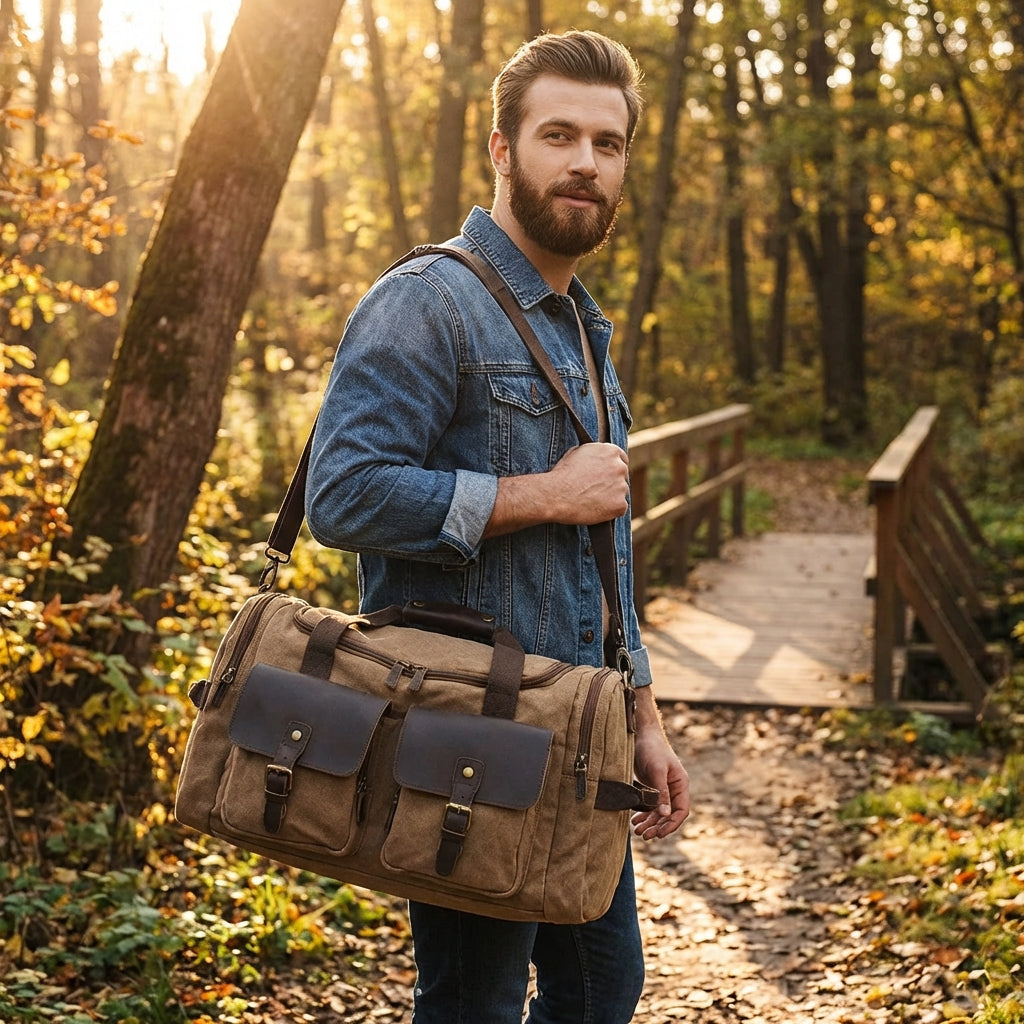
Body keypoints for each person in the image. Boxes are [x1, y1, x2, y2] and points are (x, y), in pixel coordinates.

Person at [305, 29, 691, 1024]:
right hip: (468, 736)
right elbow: (341, 494)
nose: (585, 162)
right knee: (474, 1002)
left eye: (608, 143)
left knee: (601, 988)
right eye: (559, 135)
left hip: (584, 734)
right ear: (501, 149)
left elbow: (602, 552)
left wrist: (643, 718)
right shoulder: (425, 302)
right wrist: (539, 494)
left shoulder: (581, 328)